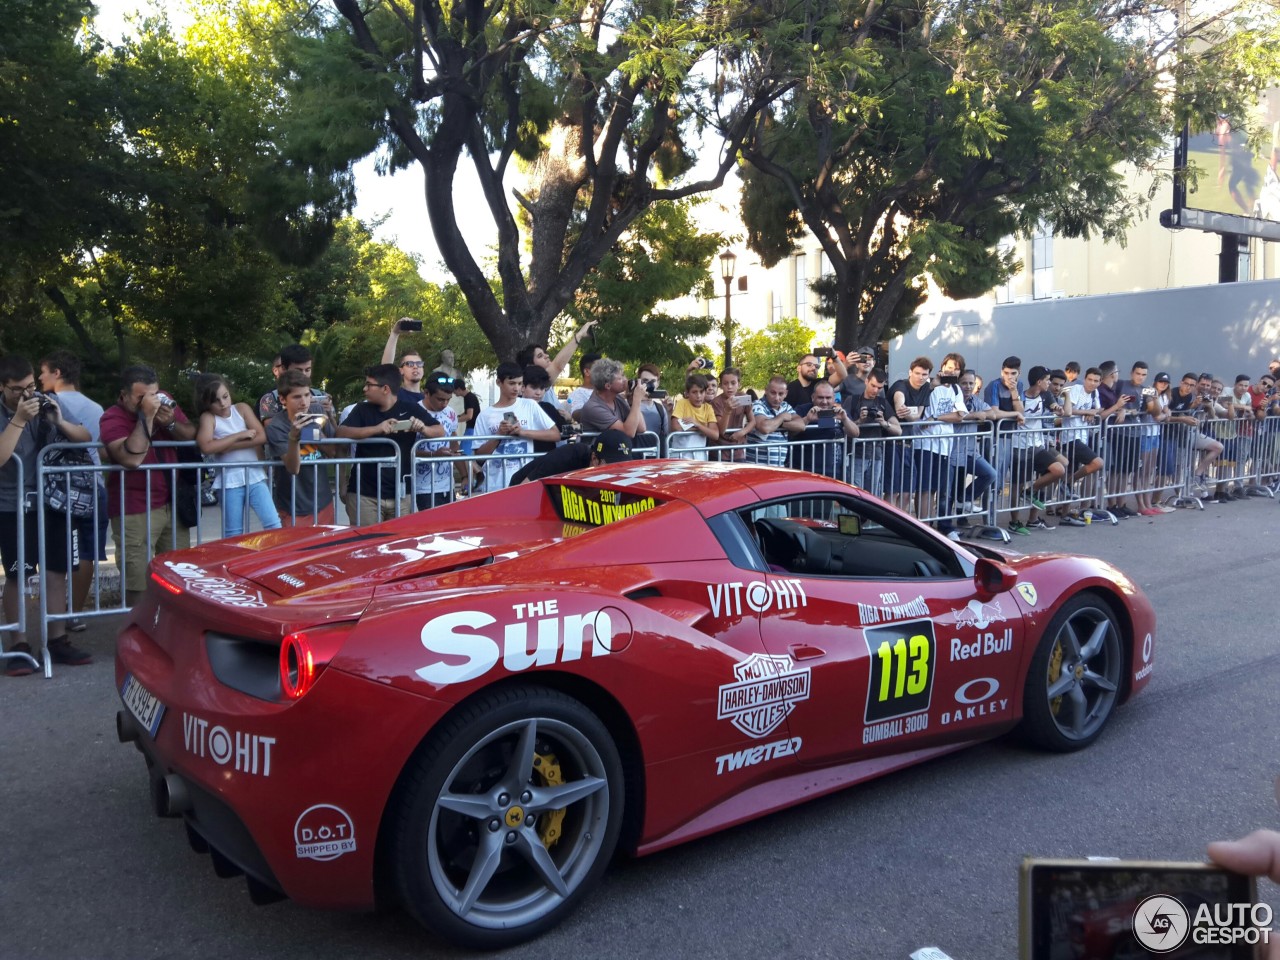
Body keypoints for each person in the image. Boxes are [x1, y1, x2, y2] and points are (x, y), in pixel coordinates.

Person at [1, 355, 93, 674]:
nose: (26, 394)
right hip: (13, 505)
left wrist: (58, 421)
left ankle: (57, 640)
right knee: (18, 575)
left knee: (57, 571)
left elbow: (84, 438)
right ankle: (17, 645)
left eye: (30, 386)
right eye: (17, 390)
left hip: (53, 501)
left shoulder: (45, 402)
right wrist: (18, 420)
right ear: (2, 387)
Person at [100, 364, 198, 607]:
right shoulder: (112, 417)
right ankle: (139, 631)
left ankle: (172, 630)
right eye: (142, 398)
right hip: (134, 507)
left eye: (154, 395)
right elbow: (130, 458)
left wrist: (172, 423)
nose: (151, 402)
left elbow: (190, 435)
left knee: (178, 574)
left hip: (172, 503)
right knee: (138, 579)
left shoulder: (166, 402)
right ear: (124, 396)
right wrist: (147, 417)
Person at [38, 350, 107, 631]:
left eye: (43, 371)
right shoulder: (96, 407)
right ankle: (75, 613)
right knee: (89, 551)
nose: (40, 377)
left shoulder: (46, 404)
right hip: (94, 485)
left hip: (60, 491)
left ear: (57, 373)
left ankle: (54, 616)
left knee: (56, 556)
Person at [336, 364, 443, 525]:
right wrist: (377, 429)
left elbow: (439, 430)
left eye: (369, 385)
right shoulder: (361, 409)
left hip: (401, 494)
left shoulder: (410, 408)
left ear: (385, 389)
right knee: (365, 545)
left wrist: (423, 428)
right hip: (365, 494)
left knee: (398, 546)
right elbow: (341, 432)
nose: (364, 389)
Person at [194, 374, 281, 539]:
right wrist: (239, 435)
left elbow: (262, 436)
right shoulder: (208, 417)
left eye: (225, 396)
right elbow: (206, 445)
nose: (223, 403)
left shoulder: (241, 408)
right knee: (233, 531)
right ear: (206, 402)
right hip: (229, 479)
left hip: (254, 475)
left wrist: (225, 447)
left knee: (273, 522)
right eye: (216, 400)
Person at [473, 361, 561, 491]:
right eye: (511, 383)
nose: (516, 388)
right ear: (499, 382)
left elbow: (555, 434)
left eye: (520, 384)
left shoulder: (530, 405)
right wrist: (498, 435)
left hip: (524, 480)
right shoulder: (485, 415)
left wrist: (522, 432)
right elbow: (479, 455)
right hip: (494, 484)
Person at [265, 369, 336, 526]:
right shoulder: (276, 426)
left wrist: (327, 419)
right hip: (293, 507)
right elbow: (293, 468)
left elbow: (334, 451)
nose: (304, 402)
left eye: (307, 395)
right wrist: (294, 437)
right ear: (283, 399)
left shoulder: (317, 411)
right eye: (297, 397)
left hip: (324, 501)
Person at [1007, 366, 1069, 535]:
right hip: (1019, 446)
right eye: (1047, 380)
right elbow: (1017, 412)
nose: (1050, 383)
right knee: (1016, 485)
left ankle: (1030, 492)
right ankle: (1014, 522)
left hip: (1038, 445)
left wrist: (1057, 408)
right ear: (1039, 381)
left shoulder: (1045, 394)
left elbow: (1054, 405)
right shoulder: (1022, 396)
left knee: (1058, 469)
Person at [845, 367, 902, 496]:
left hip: (876, 455)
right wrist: (859, 421)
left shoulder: (882, 402)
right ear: (866, 381)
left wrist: (884, 423)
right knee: (855, 494)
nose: (875, 390)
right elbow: (843, 427)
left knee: (873, 496)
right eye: (873, 386)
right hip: (856, 454)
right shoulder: (852, 400)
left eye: (880, 388)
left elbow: (898, 430)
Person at [509, 429, 636, 484]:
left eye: (622, 466)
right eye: (611, 466)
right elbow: (525, 486)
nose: (617, 472)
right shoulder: (567, 457)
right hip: (523, 485)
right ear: (594, 459)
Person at [791, 380, 858, 479]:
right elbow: (791, 432)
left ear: (834, 398)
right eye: (820, 397)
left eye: (828, 398)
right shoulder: (802, 409)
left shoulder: (839, 412)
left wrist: (845, 419)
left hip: (835, 471)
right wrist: (807, 419)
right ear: (813, 397)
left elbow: (855, 433)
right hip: (805, 471)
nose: (824, 402)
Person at [256, 343, 334, 426]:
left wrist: (329, 413)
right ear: (284, 369)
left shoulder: (321, 395)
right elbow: (273, 433)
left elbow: (335, 434)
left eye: (307, 370)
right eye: (298, 370)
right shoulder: (270, 400)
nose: (304, 375)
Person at [414, 374, 460, 509]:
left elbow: (454, 440)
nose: (444, 404)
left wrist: (464, 474)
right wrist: (433, 455)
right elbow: (406, 450)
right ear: (426, 393)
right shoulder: (414, 411)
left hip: (447, 485)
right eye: (440, 399)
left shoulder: (451, 413)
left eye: (448, 400)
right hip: (422, 488)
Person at [578, 359, 649, 438]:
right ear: (608, 386)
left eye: (624, 375)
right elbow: (628, 433)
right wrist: (637, 400)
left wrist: (632, 402)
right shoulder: (593, 407)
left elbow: (641, 428)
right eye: (620, 378)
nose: (625, 380)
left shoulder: (618, 399)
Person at [745, 376, 806, 465]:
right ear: (766, 390)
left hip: (778, 467)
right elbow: (764, 427)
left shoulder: (786, 406)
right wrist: (781, 417)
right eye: (773, 393)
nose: (777, 398)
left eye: (781, 394)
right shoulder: (757, 405)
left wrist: (778, 424)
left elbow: (801, 425)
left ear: (786, 393)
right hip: (756, 466)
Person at [515, 319, 599, 381]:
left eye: (544, 353)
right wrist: (579, 335)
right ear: (529, 366)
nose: (547, 356)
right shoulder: (534, 382)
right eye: (540, 356)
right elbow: (557, 366)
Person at [669, 373, 719, 459]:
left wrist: (697, 424)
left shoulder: (708, 408)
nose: (698, 396)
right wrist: (704, 427)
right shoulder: (682, 403)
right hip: (679, 456)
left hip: (699, 458)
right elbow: (675, 426)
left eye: (701, 391)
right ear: (687, 393)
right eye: (694, 392)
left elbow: (715, 434)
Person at [710, 367, 752, 458]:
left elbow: (753, 421)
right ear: (721, 385)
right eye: (725, 383)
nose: (729, 387)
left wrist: (742, 432)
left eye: (733, 383)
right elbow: (721, 430)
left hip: (739, 449)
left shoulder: (744, 398)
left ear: (739, 384)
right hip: (720, 450)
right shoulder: (716, 402)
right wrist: (727, 410)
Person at [631, 364, 670, 452]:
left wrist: (669, 411)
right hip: (634, 457)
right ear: (638, 382)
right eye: (645, 380)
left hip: (655, 457)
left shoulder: (661, 408)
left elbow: (668, 434)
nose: (649, 385)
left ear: (658, 383)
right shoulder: (629, 405)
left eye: (653, 381)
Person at [564, 353, 603, 419]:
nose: (605, 372)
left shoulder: (608, 390)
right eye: (599, 369)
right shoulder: (577, 394)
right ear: (587, 372)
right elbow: (577, 415)